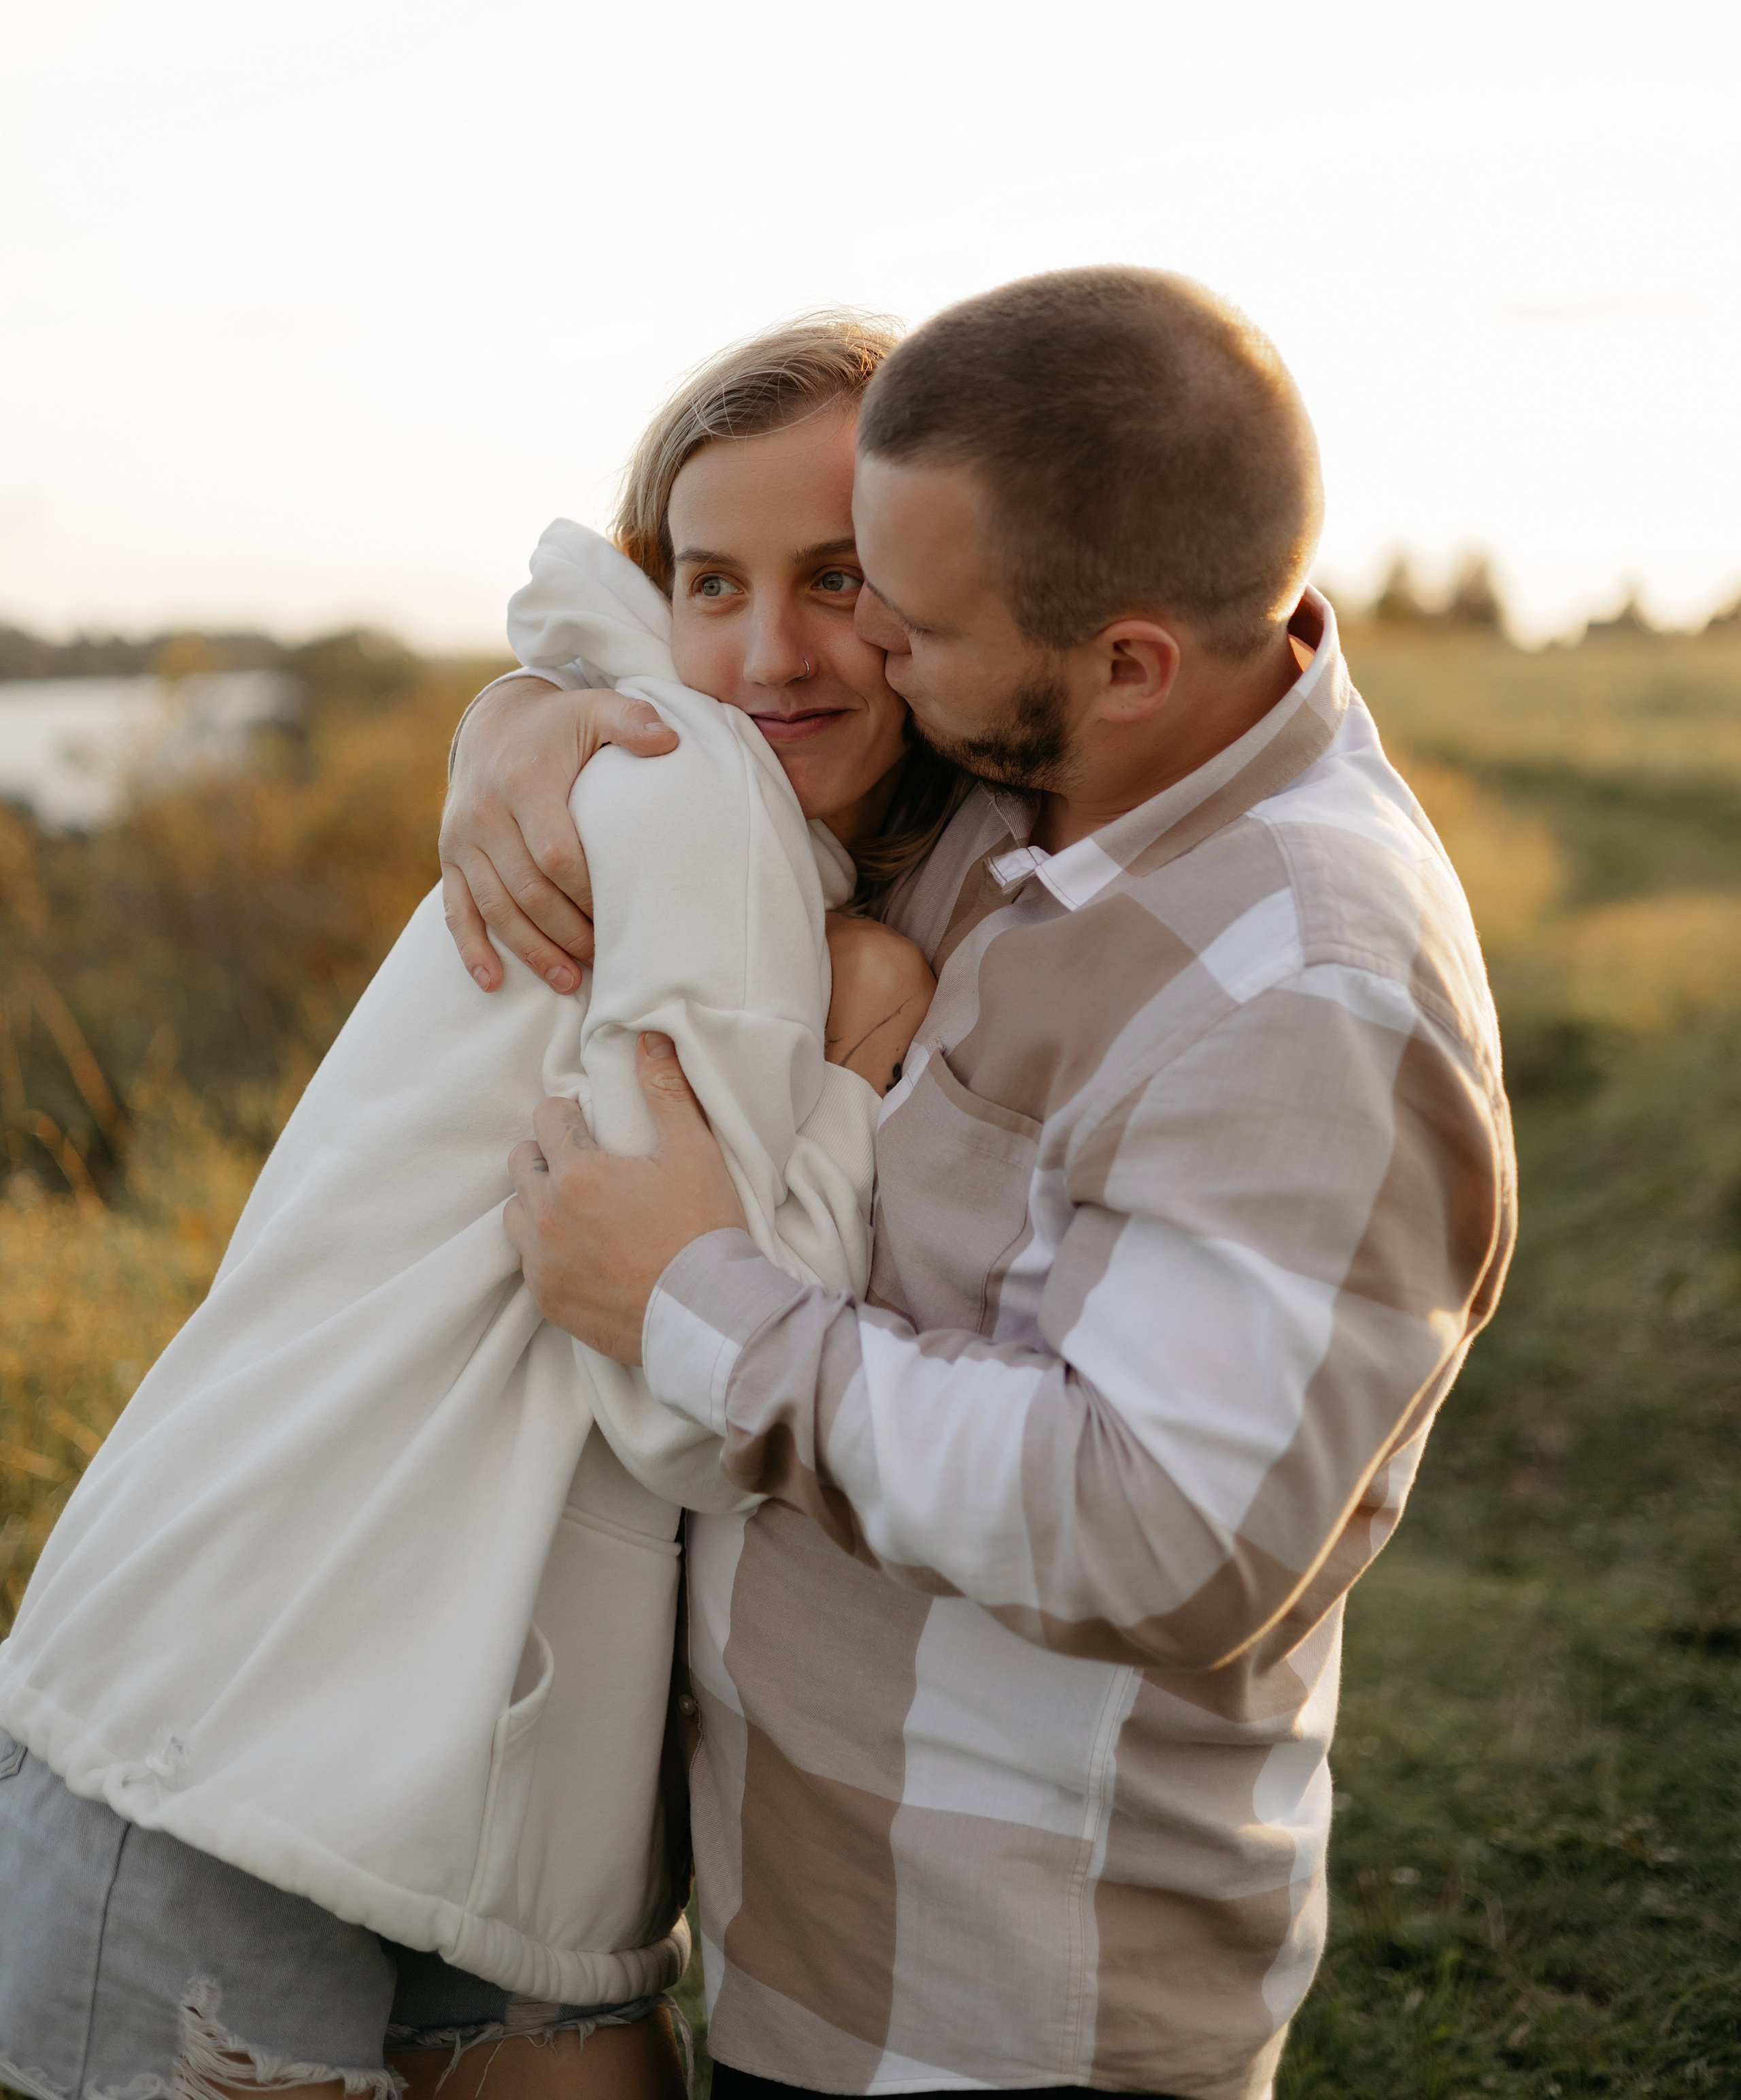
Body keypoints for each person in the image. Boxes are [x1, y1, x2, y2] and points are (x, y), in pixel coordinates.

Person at [443, 266, 1517, 2100]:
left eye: (907, 616)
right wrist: (529, 720)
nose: (866, 650)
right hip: (803, 1927)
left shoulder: (1309, 989)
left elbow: (1163, 1531)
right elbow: (716, 677)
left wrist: (695, 1304)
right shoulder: (1036, 780)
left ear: (1126, 664)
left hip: (1011, 1999)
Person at [0, 320, 951, 2100]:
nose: (768, 650)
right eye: (711, 582)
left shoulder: (695, 797)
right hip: (249, 1738)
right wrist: (862, 1051)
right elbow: (686, 1391)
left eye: (838, 577)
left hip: (450, 1777)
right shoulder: (702, 806)